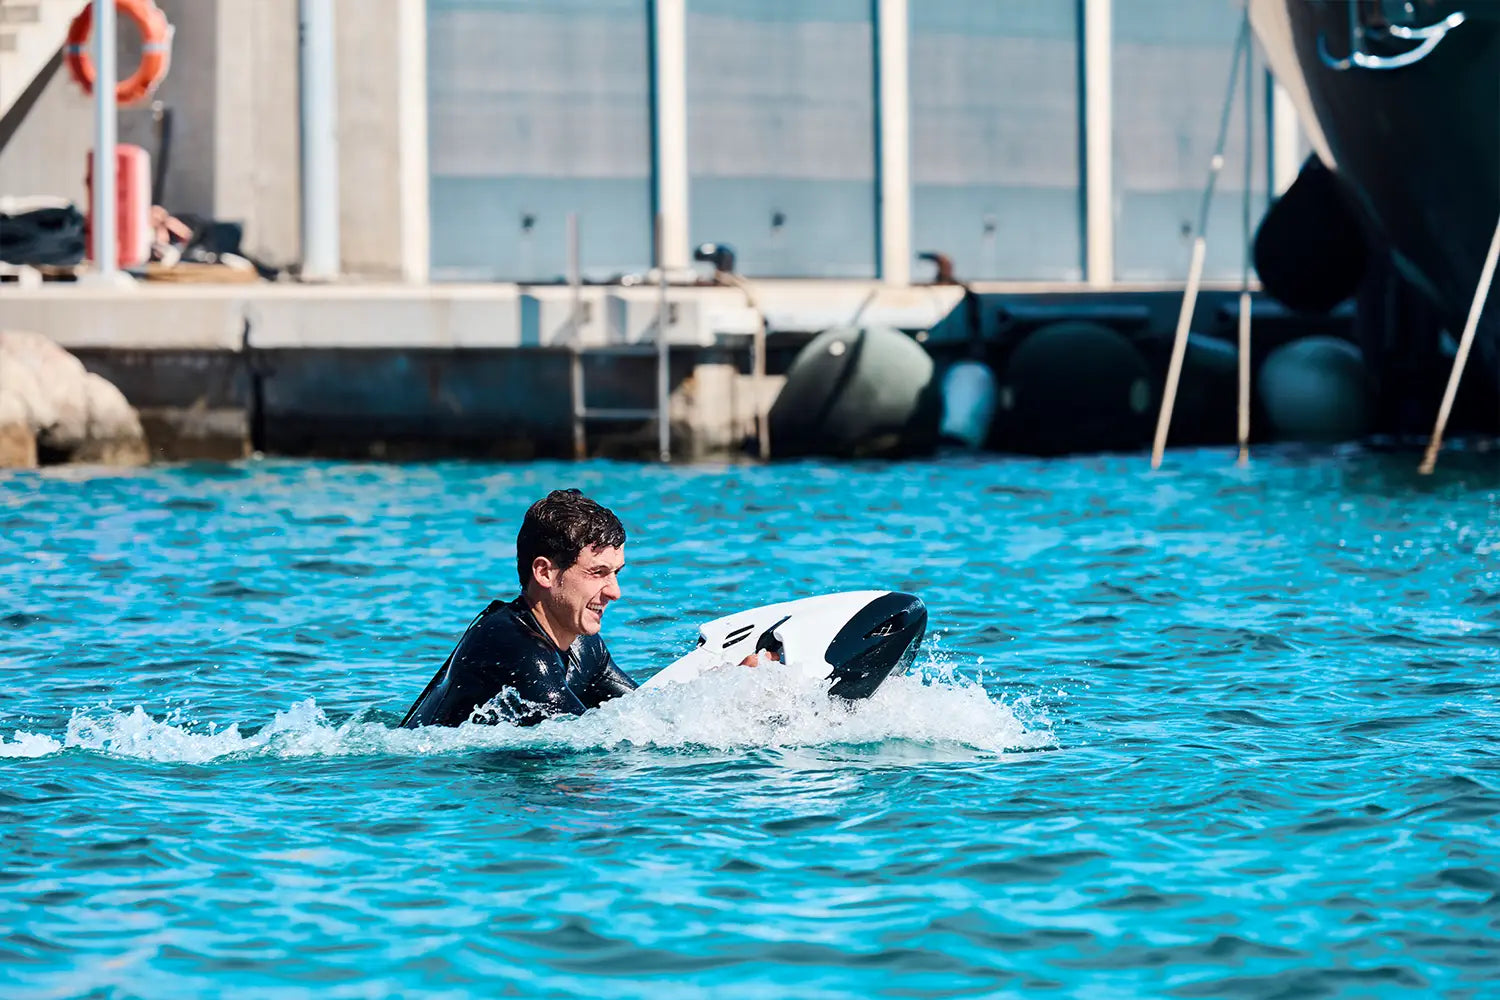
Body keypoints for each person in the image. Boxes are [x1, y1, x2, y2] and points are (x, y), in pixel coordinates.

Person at [399, 488, 638, 728]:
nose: (614, 592)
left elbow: (643, 710)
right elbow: (585, 740)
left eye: (616, 573)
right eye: (598, 573)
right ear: (545, 572)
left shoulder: (584, 646)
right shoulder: (514, 648)